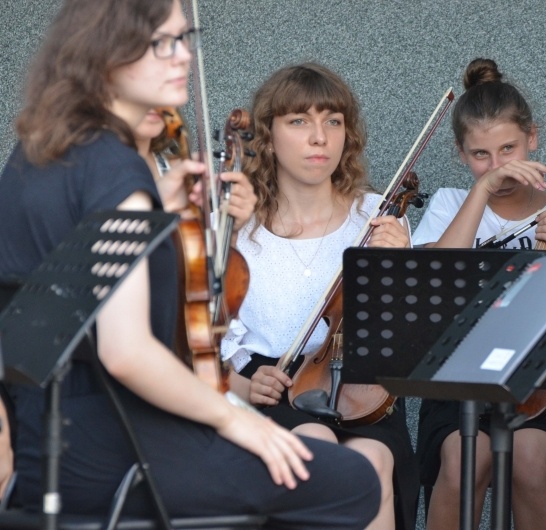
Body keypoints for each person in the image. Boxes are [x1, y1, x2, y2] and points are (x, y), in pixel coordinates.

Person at [0, 1, 380, 528]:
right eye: (162, 42)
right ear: (106, 49)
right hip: (130, 456)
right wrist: (239, 421)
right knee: (353, 481)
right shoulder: (116, 171)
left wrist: (157, 202)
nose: (183, 56)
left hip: (48, 457)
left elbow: (68, 273)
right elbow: (126, 353)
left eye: (185, 38)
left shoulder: (35, 157)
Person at [220, 62, 420, 530]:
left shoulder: (377, 216)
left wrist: (402, 269)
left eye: (333, 121)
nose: (320, 137)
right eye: (299, 121)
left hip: (361, 387)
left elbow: (409, 338)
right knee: (316, 449)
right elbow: (205, 343)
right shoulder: (237, 228)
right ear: (268, 137)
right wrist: (245, 386)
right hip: (274, 388)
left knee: (373, 460)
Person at [412, 58, 546, 530]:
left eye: (508, 149)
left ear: (532, 139)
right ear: (461, 154)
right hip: (459, 384)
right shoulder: (448, 206)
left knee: (526, 455)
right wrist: (480, 193)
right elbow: (431, 277)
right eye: (481, 156)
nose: (497, 166)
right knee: (464, 457)